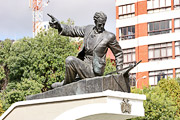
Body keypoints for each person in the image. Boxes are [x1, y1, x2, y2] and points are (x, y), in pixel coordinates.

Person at [48, 11, 123, 88]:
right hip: (83, 65)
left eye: (104, 24)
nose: (102, 26)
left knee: (70, 60)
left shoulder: (109, 36)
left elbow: (118, 53)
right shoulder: (88, 29)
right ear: (95, 21)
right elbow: (73, 30)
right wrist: (60, 26)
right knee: (71, 62)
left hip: (94, 70)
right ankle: (69, 83)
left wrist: (120, 71)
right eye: (100, 24)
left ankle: (65, 84)